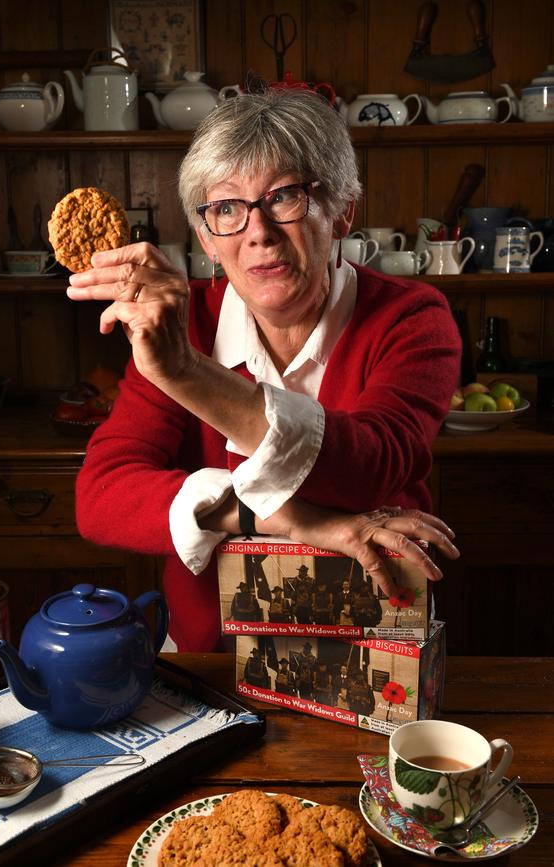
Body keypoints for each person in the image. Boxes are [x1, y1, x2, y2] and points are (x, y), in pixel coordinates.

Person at [66, 88, 461, 651]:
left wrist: (186, 372)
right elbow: (102, 495)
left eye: (284, 197)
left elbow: (371, 465)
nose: (258, 231)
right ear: (206, 237)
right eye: (226, 208)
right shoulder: (189, 324)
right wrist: (283, 519)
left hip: (374, 653)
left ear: (343, 209)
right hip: (210, 658)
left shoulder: (412, 318)